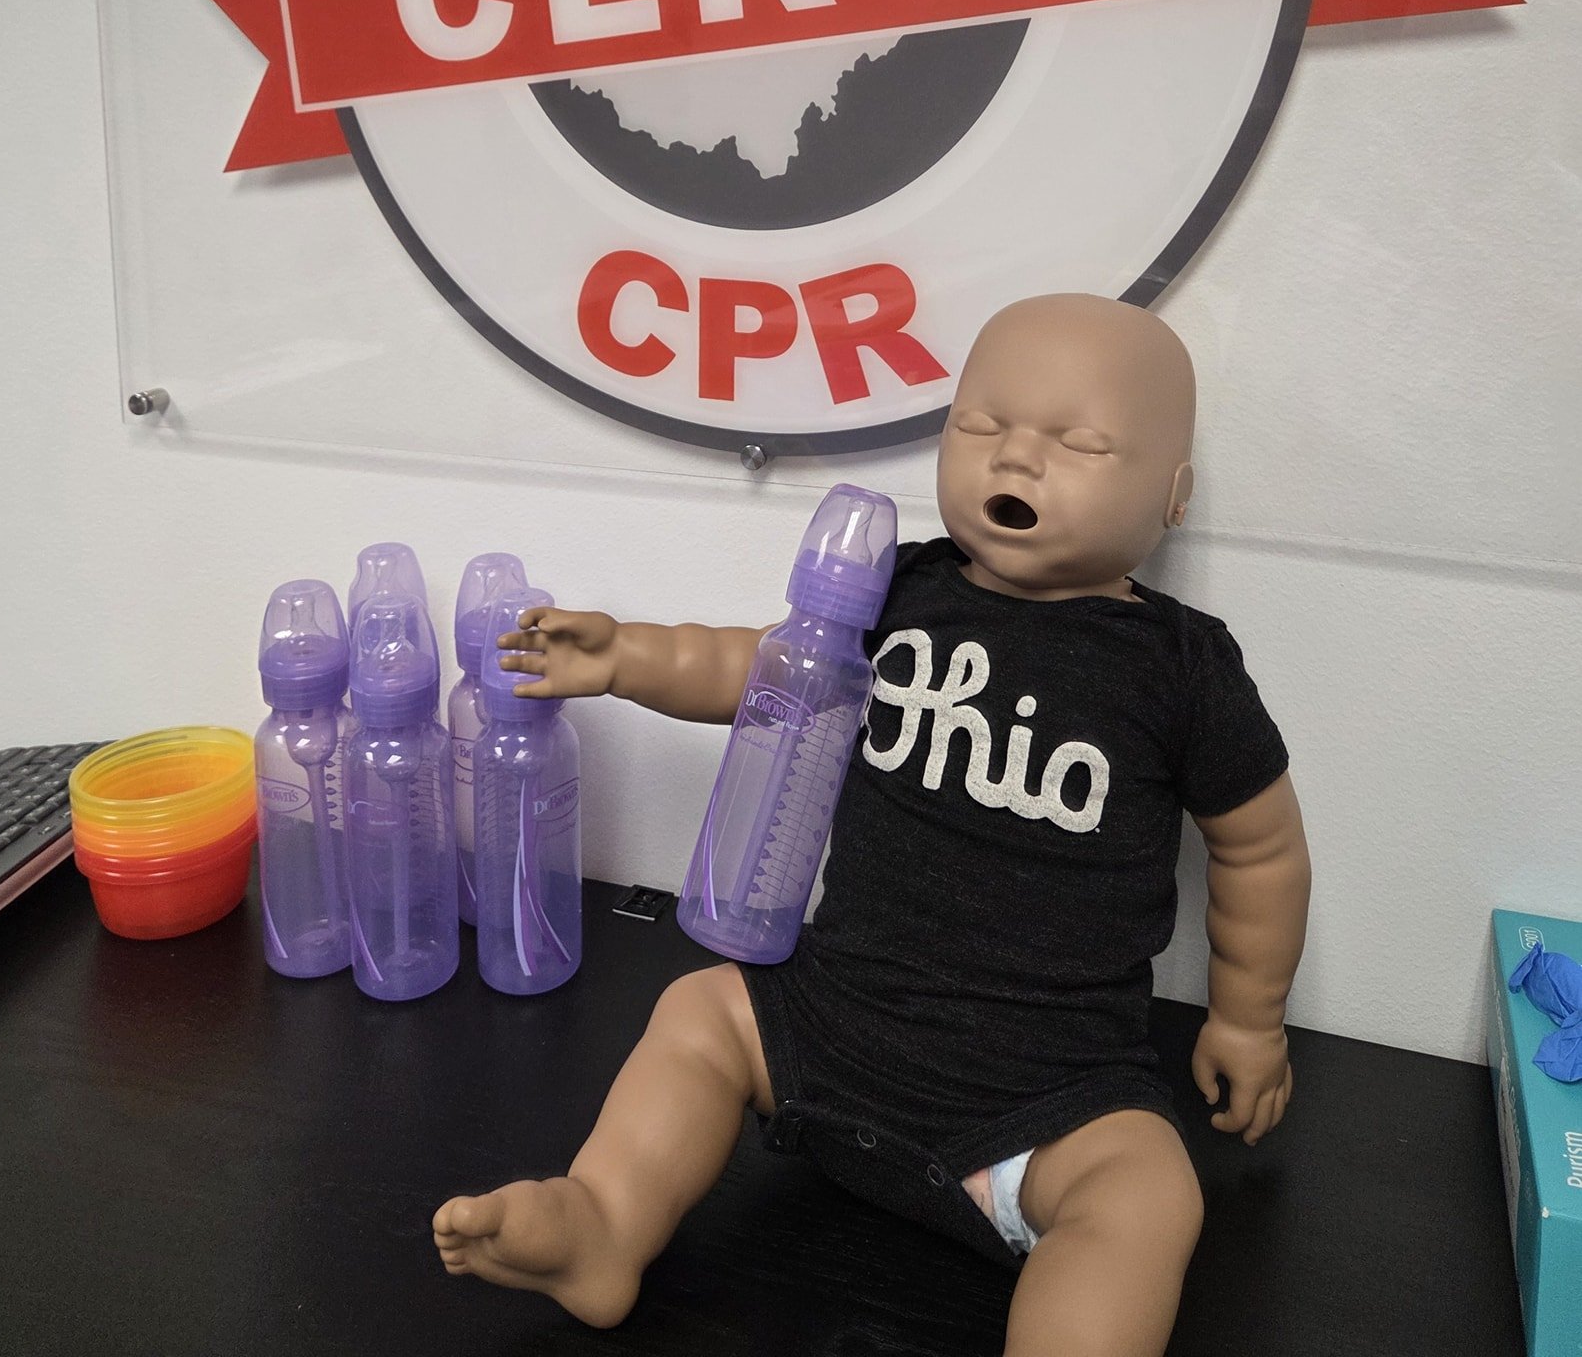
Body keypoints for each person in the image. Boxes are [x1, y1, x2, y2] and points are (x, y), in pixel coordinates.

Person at [434, 293, 1311, 1357]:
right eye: (982, 426)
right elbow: (763, 669)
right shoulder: (904, 589)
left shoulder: (1182, 667)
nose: (1016, 459)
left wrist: (1249, 1019)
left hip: (1046, 1098)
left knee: (1150, 1191)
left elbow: (1258, 846)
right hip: (831, 1028)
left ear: (1172, 495)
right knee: (700, 1012)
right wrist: (621, 655)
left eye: (1077, 441)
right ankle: (605, 1218)